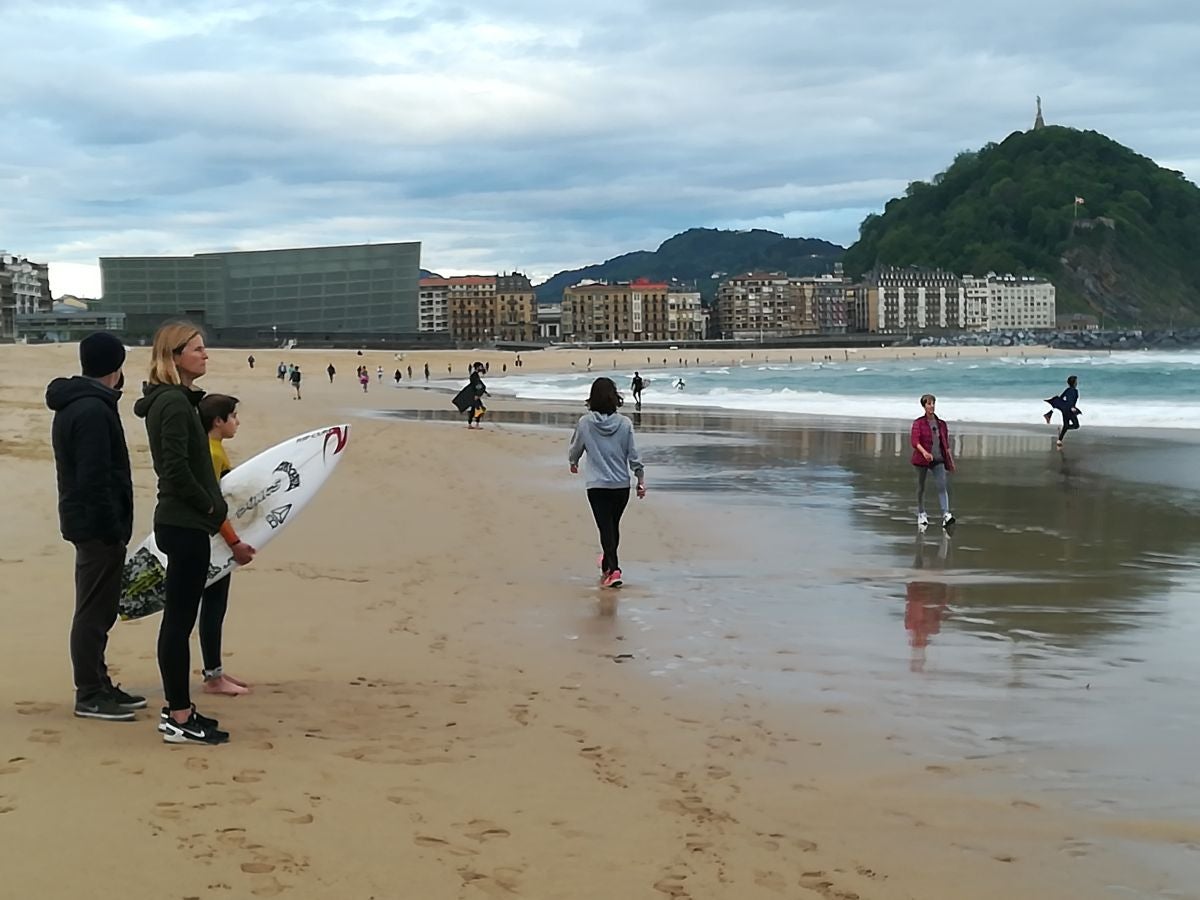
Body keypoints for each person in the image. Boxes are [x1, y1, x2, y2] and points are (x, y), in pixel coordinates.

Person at [133, 323, 231, 745]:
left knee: (180, 619)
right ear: (174, 357)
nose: (205, 355)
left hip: (186, 521)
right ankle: (177, 715)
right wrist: (209, 505)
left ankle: (181, 709)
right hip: (183, 522)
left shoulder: (181, 402)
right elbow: (173, 468)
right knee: (178, 622)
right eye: (197, 349)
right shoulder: (173, 403)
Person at [46, 332, 145, 721]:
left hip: (91, 522)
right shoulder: (90, 409)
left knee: (100, 608)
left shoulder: (86, 404)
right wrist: (111, 527)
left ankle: (99, 683)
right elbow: (94, 478)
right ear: (115, 368)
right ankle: (89, 692)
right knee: (92, 610)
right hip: (95, 526)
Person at [197, 394, 255, 697]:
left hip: (215, 538)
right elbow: (213, 505)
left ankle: (215, 671)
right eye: (233, 416)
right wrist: (234, 543)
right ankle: (213, 677)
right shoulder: (211, 453)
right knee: (213, 605)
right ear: (218, 422)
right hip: (213, 541)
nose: (237, 421)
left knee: (215, 606)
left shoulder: (215, 449)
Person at [567, 378, 646, 588]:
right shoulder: (625, 423)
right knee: (611, 526)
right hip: (621, 485)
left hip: (598, 485)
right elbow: (633, 454)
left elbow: (576, 447)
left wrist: (573, 462)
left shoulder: (585, 423)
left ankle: (615, 569)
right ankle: (607, 565)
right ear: (615, 397)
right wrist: (640, 478)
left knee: (606, 528)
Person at [910, 393, 955, 530]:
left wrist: (950, 461)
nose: (932, 406)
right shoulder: (918, 423)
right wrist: (924, 452)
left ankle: (946, 514)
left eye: (933, 403)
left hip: (938, 459)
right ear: (924, 406)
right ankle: (921, 513)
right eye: (929, 403)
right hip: (921, 460)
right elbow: (914, 441)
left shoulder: (941, 424)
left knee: (942, 486)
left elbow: (945, 444)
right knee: (921, 487)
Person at [1043, 375, 1081, 448]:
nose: (1077, 383)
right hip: (1070, 410)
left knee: (1066, 425)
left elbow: (1060, 398)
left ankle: (1059, 440)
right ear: (1074, 383)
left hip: (1065, 410)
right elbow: (1072, 401)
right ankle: (1061, 435)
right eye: (1076, 381)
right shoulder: (1075, 391)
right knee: (1076, 425)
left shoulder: (1067, 390)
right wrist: (1072, 408)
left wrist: (1062, 405)